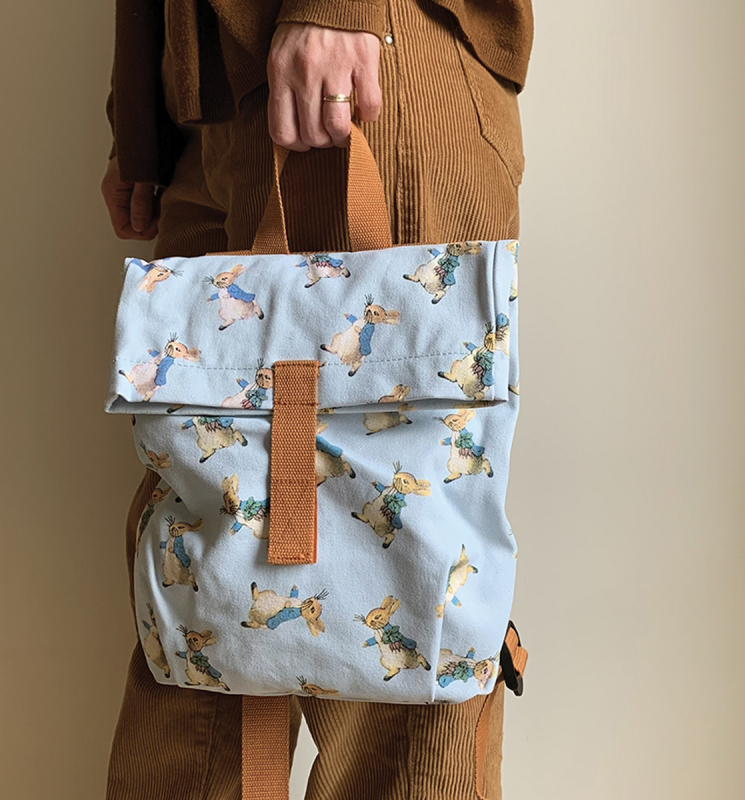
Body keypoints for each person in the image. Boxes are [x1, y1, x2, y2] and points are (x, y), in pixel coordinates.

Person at [101, 1, 533, 798]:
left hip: (368, 58)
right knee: (204, 616)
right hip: (211, 88)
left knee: (401, 630)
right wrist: (139, 117)